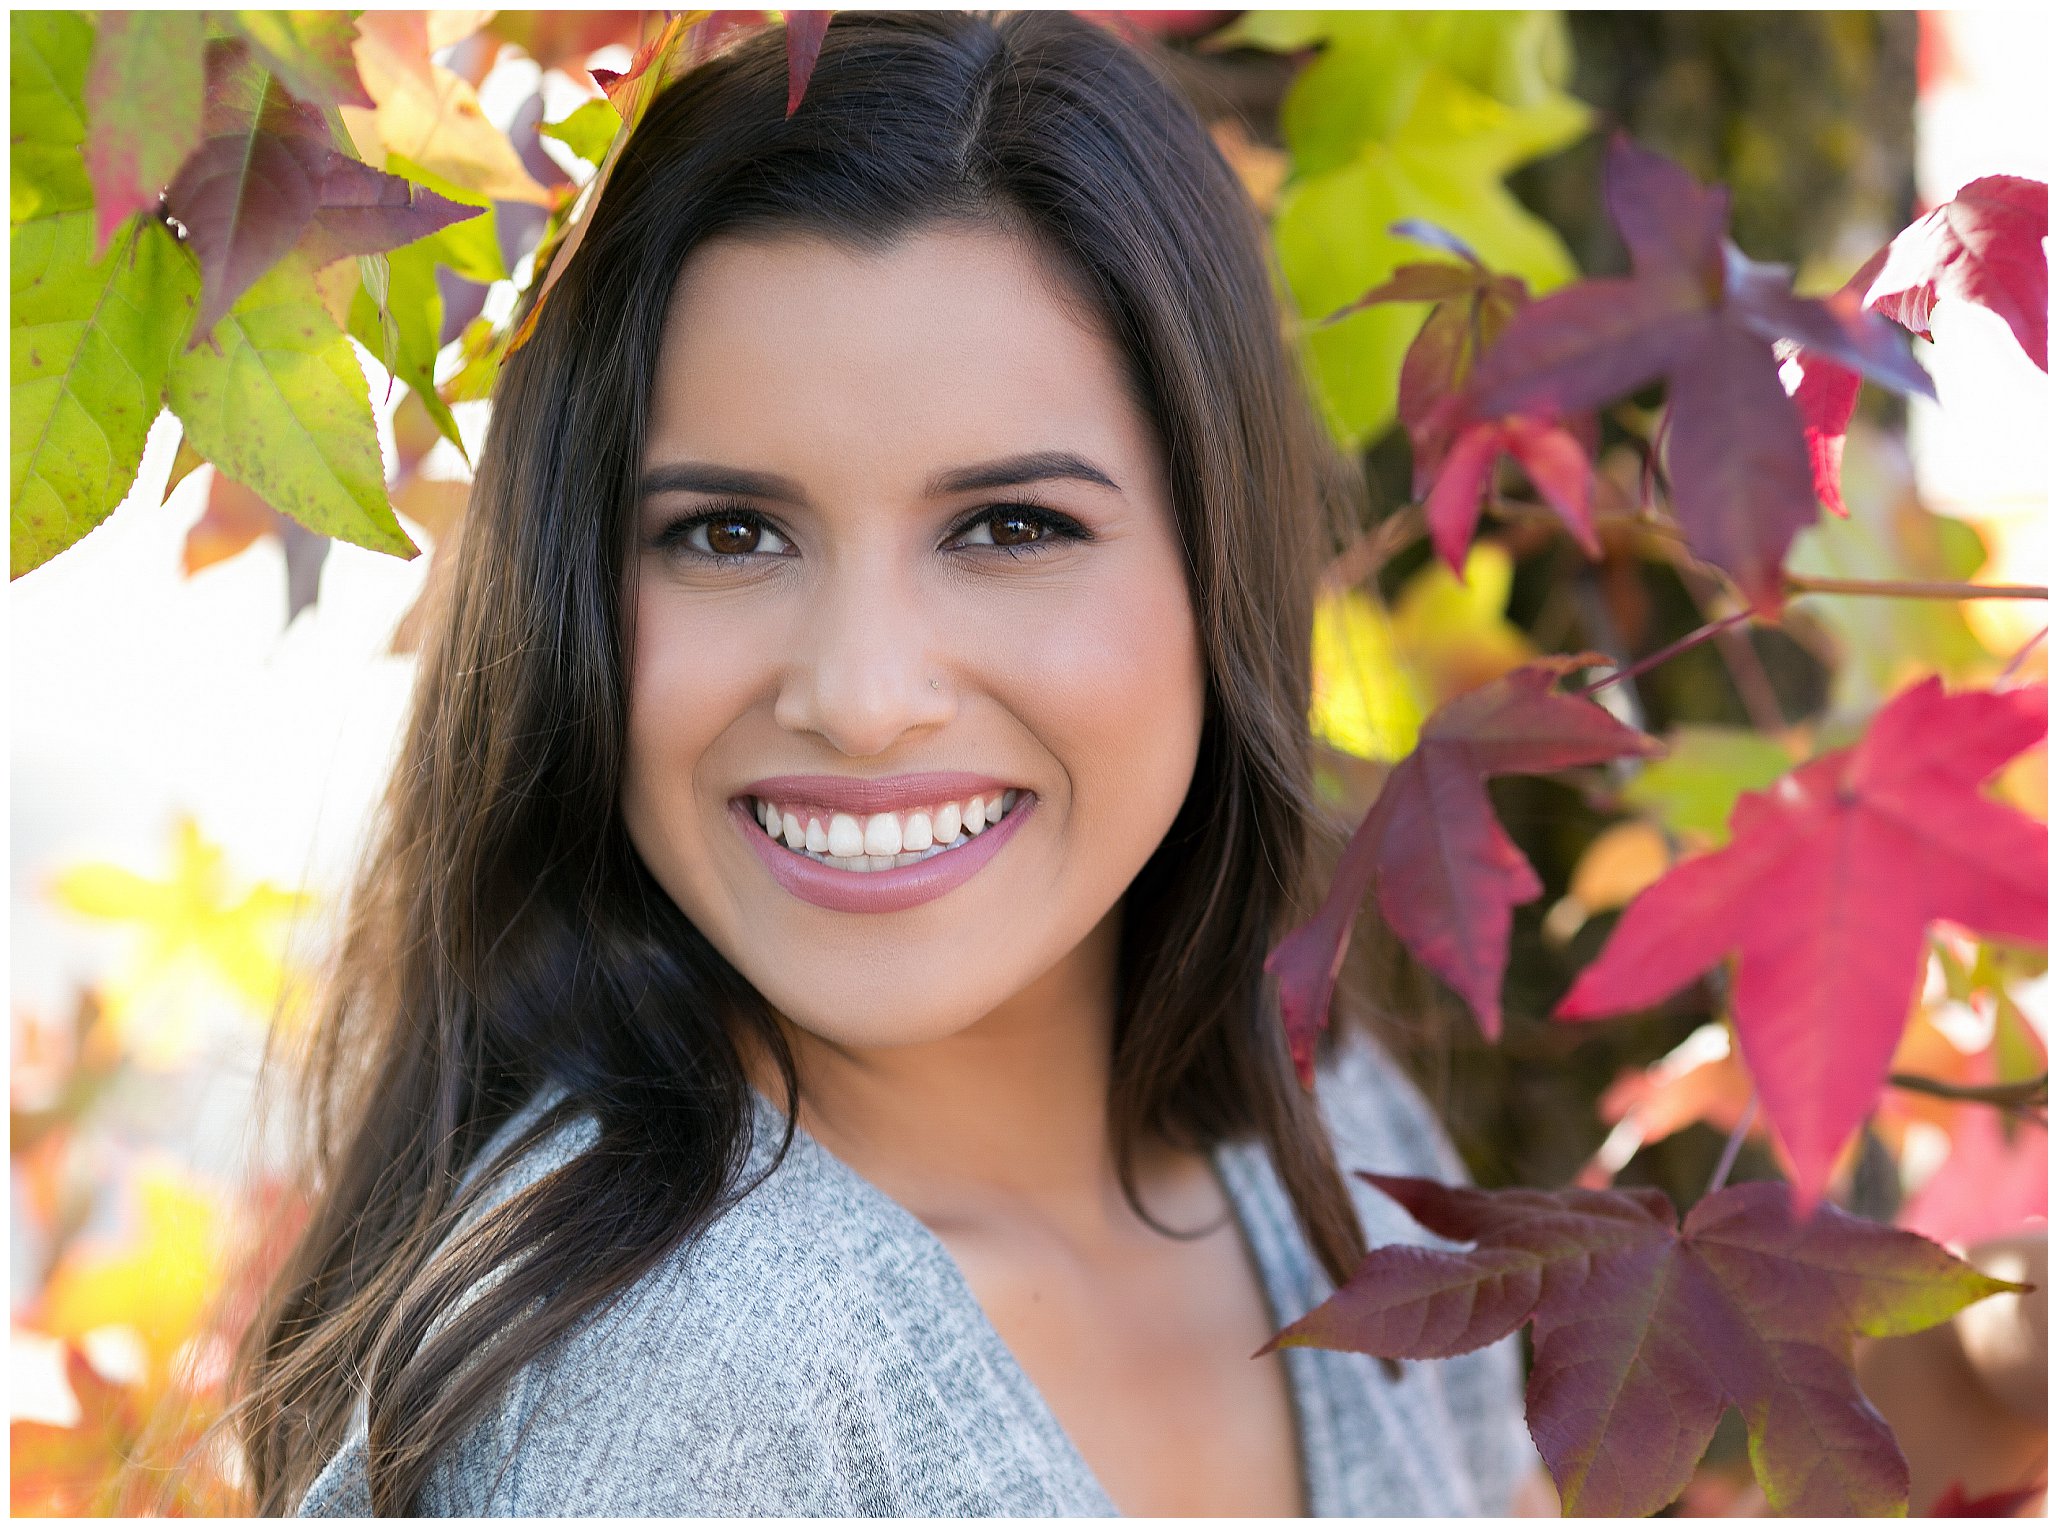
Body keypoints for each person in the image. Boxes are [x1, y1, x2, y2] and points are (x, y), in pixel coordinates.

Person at [235, 11, 1537, 1515]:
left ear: (1217, 572)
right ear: (572, 595)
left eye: (1008, 528)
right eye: (727, 533)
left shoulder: (1346, 1152)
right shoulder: (679, 1384)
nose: (860, 698)